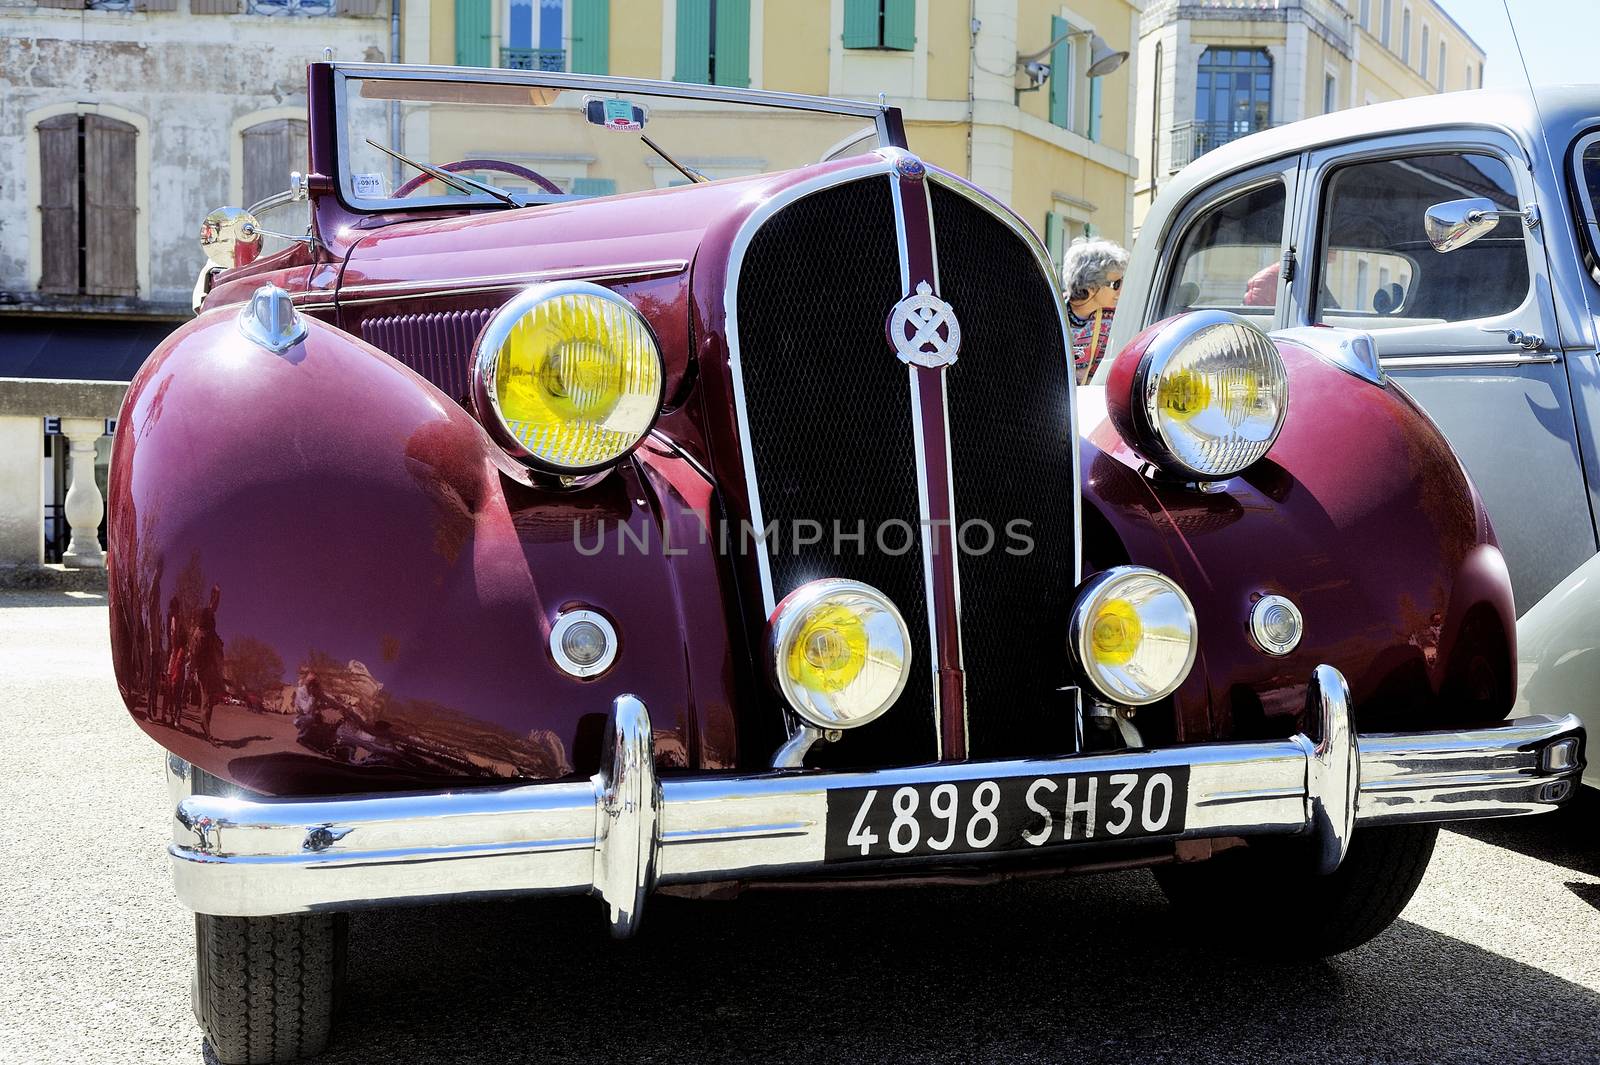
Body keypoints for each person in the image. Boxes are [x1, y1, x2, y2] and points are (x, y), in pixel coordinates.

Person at [1062, 236, 1129, 383]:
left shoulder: (1111, 319)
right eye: (1115, 284)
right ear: (1090, 286)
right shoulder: (1054, 312)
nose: (1121, 290)